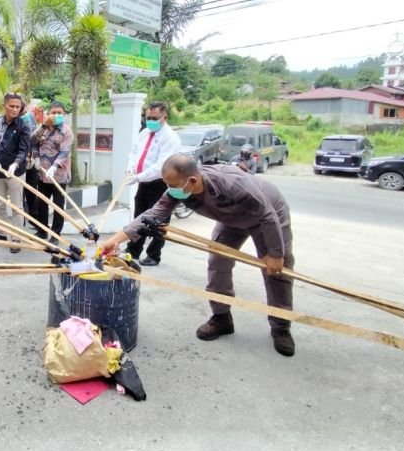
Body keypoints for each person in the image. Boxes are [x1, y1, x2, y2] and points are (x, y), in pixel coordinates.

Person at [100, 155, 296, 357]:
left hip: (268, 214)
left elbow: (267, 215)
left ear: (192, 180)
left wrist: (275, 253)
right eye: (167, 184)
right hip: (231, 219)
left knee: (276, 271)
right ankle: (221, 318)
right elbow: (153, 214)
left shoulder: (234, 184)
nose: (170, 189)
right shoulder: (179, 189)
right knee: (217, 263)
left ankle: (281, 326)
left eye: (173, 185)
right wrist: (116, 240)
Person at [124, 101, 182, 266]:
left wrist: (138, 177)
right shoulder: (145, 132)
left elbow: (160, 166)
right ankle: (133, 250)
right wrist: (130, 169)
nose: (150, 120)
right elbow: (134, 152)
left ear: (165, 117)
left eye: (154, 118)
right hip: (144, 183)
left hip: (161, 184)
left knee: (159, 221)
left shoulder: (171, 138)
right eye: (148, 117)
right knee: (139, 216)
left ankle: (154, 255)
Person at [0, 93, 30, 252]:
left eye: (17, 107)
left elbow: (24, 149)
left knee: (17, 206)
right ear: (4, 105)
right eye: (11, 106)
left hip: (15, 171)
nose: (15, 109)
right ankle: (2, 233)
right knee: (0, 204)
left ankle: (16, 237)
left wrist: (16, 164)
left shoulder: (23, 125)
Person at [31, 101, 73, 239]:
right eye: (53, 112)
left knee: (58, 206)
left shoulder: (66, 131)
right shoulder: (43, 128)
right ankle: (42, 231)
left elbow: (64, 152)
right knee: (41, 203)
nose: (56, 115)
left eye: (59, 113)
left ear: (64, 114)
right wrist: (36, 158)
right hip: (43, 173)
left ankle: (56, 234)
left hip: (59, 175)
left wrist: (54, 166)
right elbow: (33, 141)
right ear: (48, 114)